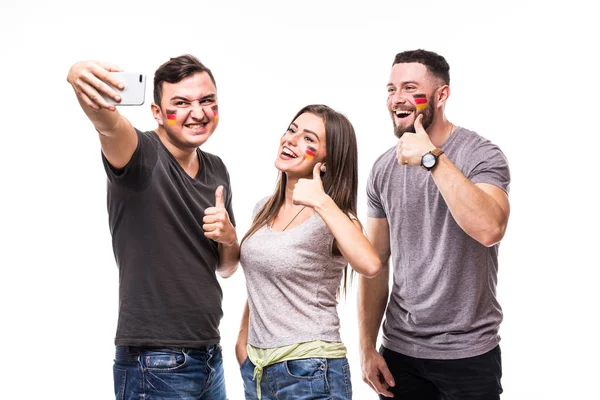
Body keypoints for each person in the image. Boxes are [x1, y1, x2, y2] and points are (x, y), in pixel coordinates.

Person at [66, 54, 239, 400]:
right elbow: (108, 125)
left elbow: (227, 266)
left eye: (207, 101)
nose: (198, 112)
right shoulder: (140, 153)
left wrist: (229, 237)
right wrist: (78, 76)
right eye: (181, 103)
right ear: (157, 112)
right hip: (154, 361)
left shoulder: (216, 169)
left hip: (209, 354)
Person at [359, 49, 511, 400]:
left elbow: (490, 227)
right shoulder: (383, 168)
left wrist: (430, 159)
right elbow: (376, 264)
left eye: (410, 88)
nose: (397, 98)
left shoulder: (480, 155)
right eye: (391, 88)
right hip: (400, 353)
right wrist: (367, 346)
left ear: (441, 96)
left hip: (470, 354)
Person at [235, 104, 382, 399]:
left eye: (309, 139)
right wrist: (242, 344)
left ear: (326, 161)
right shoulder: (263, 209)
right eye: (292, 130)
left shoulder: (335, 218)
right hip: (259, 370)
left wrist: (323, 202)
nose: (291, 139)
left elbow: (370, 264)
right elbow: (262, 280)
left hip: (310, 371)